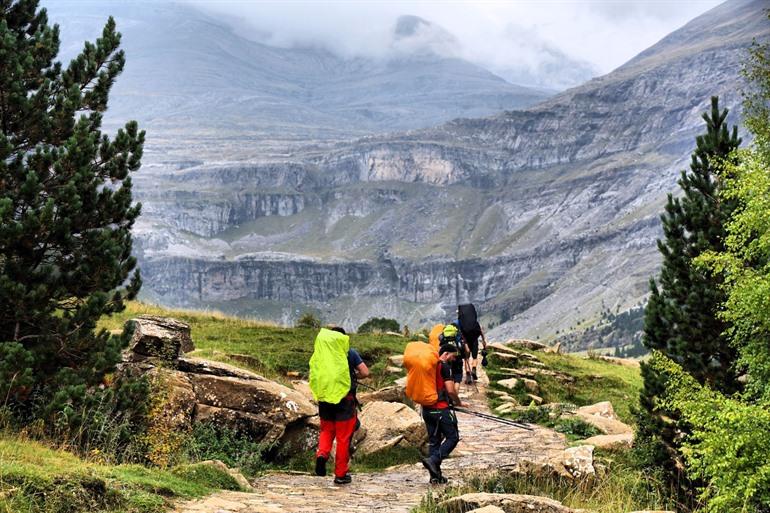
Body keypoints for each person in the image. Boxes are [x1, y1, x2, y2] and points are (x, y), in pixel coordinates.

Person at [314, 326, 370, 485]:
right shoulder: (349, 352)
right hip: (345, 401)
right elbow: (365, 372)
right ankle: (340, 474)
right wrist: (353, 376)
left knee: (326, 430)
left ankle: (322, 455)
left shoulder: (322, 352)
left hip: (325, 399)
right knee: (343, 438)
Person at [420, 344, 462, 484]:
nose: (454, 359)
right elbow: (450, 390)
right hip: (440, 408)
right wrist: (458, 402)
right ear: (446, 354)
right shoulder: (443, 366)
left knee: (434, 441)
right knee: (453, 437)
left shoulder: (428, 366)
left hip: (427, 409)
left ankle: (435, 476)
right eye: (453, 356)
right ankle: (433, 460)